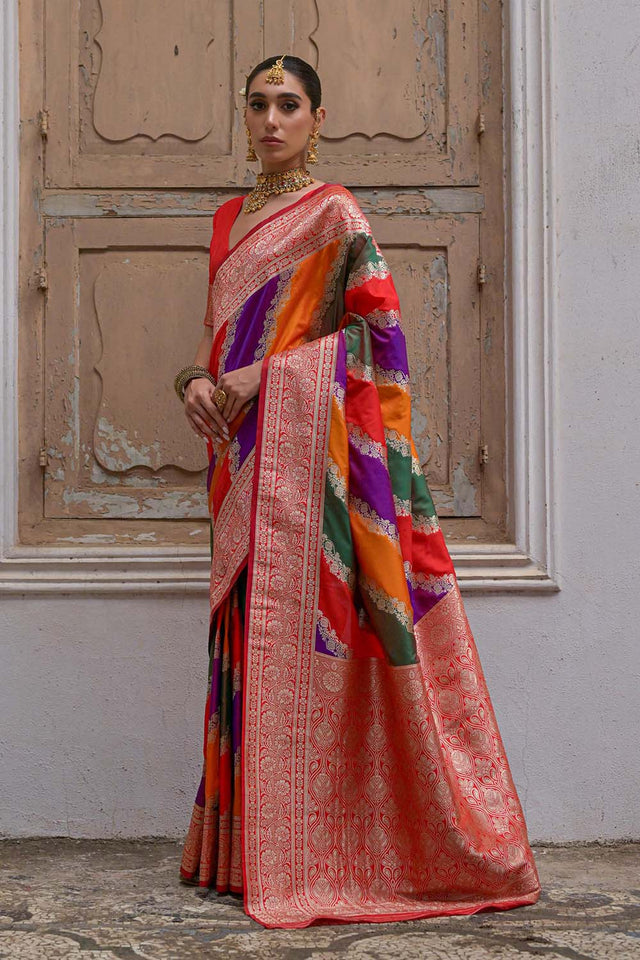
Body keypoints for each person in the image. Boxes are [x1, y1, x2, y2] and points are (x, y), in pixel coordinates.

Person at [174, 54, 541, 930]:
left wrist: (272, 372)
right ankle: (241, 853)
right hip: (239, 459)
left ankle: (325, 848)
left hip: (318, 467)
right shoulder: (230, 219)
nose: (271, 120)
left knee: (308, 641)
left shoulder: (336, 216)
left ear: (318, 117)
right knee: (242, 642)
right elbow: (212, 340)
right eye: (258, 104)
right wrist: (193, 380)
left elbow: (380, 346)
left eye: (288, 105)